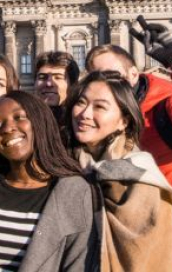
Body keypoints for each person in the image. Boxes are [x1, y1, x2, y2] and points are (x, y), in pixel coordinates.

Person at [0, 91, 98, 272]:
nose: (7, 128)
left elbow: (78, 264)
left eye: (19, 117)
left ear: (40, 122)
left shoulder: (74, 193)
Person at [65, 70, 172, 272]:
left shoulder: (143, 179)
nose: (85, 114)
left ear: (124, 121)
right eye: (81, 102)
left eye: (100, 107)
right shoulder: (62, 164)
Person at [85, 43, 172, 185]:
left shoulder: (165, 101)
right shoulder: (93, 113)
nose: (105, 84)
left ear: (133, 74)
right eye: (95, 79)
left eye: (110, 75)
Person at [34, 51, 79, 128]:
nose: (49, 84)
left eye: (58, 77)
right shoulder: (26, 121)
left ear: (72, 85)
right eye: (42, 77)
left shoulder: (80, 123)